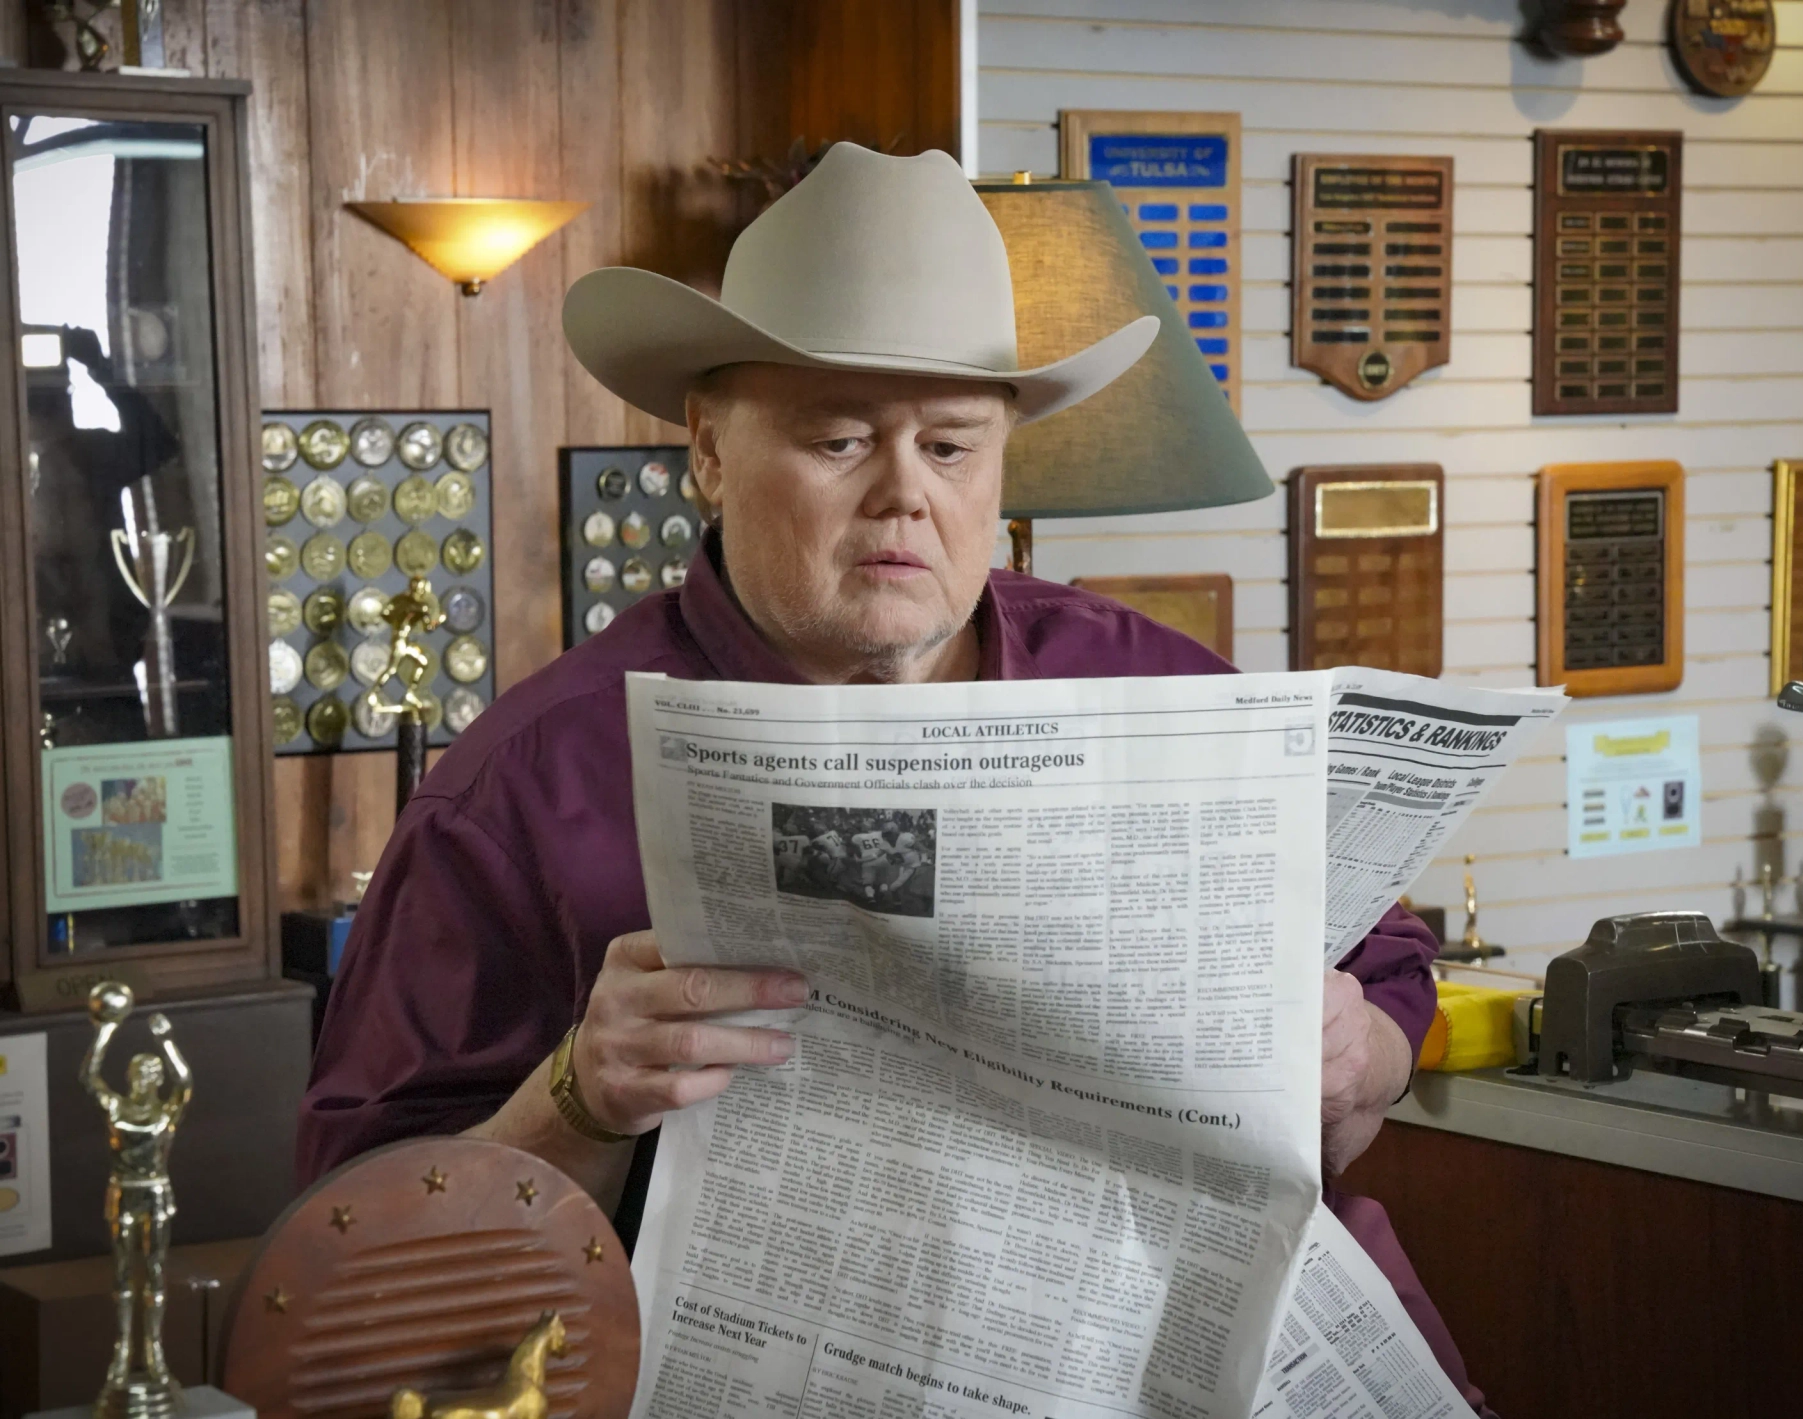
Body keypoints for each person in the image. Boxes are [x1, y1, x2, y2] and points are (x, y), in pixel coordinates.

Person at [299, 144, 1486, 1412]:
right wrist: (578, 1101)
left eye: (953, 447)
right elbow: (353, 1256)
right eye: (840, 439)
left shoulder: (1162, 690)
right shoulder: (527, 787)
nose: (904, 497)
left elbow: (1388, 981)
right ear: (706, 449)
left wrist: (1358, 1052)